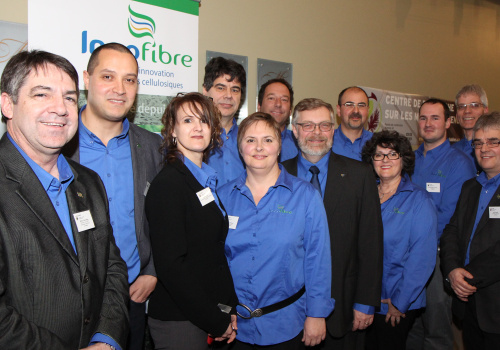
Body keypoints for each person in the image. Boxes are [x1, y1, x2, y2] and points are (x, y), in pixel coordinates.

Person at [0, 50, 128, 349]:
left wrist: (106, 338)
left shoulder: (89, 182)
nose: (60, 109)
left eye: (70, 97)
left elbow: (112, 267)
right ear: (8, 104)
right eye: (42, 95)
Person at [63, 42, 162, 350]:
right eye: (108, 77)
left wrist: (152, 271)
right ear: (87, 79)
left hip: (132, 296)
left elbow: (164, 218)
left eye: (129, 79)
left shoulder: (152, 148)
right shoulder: (57, 143)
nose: (120, 88)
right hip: (69, 300)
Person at [219, 112, 334, 349]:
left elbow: (318, 259)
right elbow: (212, 260)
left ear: (280, 146)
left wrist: (317, 314)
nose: (259, 147)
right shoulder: (223, 197)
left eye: (268, 140)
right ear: (240, 147)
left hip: (286, 324)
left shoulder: (305, 197)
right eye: (251, 140)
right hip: (232, 326)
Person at [282, 98, 383, 350]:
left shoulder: (360, 175)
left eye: (324, 125)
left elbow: (371, 243)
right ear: (294, 131)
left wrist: (365, 302)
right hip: (286, 309)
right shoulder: (277, 175)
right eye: (308, 125)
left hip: (344, 306)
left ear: (333, 129)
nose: (317, 133)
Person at [145, 92, 238, 350]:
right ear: (172, 131)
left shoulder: (204, 179)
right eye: (187, 121)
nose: (197, 127)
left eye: (204, 120)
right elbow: (172, 267)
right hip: (180, 322)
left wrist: (227, 306)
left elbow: (214, 253)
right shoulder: (169, 184)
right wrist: (215, 320)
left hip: (206, 312)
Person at [407, 98, 476, 350]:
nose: (428, 123)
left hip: (436, 258)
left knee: (436, 331)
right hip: (406, 256)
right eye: (423, 118)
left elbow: (452, 217)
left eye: (435, 118)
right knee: (410, 327)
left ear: (448, 122)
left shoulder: (460, 163)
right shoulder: (409, 160)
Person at [361, 130, 437, 350]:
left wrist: (400, 302)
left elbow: (422, 258)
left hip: (395, 303)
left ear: (403, 159)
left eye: (392, 154)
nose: (385, 160)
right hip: (365, 300)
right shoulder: (365, 195)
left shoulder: (419, 200)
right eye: (379, 154)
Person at [441, 112, 500, 350]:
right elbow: (452, 232)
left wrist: (465, 278)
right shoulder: (470, 187)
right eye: (478, 142)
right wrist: (453, 270)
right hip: (468, 304)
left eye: (493, 141)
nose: (484, 148)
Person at [203, 57, 247, 187]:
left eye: (235, 90)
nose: (228, 96)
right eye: (221, 88)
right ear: (205, 90)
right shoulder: (194, 137)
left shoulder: (250, 139)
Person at [257, 78, 298, 161]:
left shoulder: (300, 144)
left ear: (290, 110)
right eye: (271, 98)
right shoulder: (244, 141)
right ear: (259, 106)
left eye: (284, 100)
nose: (278, 104)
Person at [452, 84, 489, 171]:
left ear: (486, 111)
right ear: (457, 115)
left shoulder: (494, 149)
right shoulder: (451, 152)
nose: (467, 111)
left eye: (474, 105)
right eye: (462, 107)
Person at [332, 86, 373, 161]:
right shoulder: (326, 141)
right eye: (349, 105)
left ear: (367, 111)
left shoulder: (377, 143)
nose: (356, 111)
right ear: (338, 110)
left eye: (361, 105)